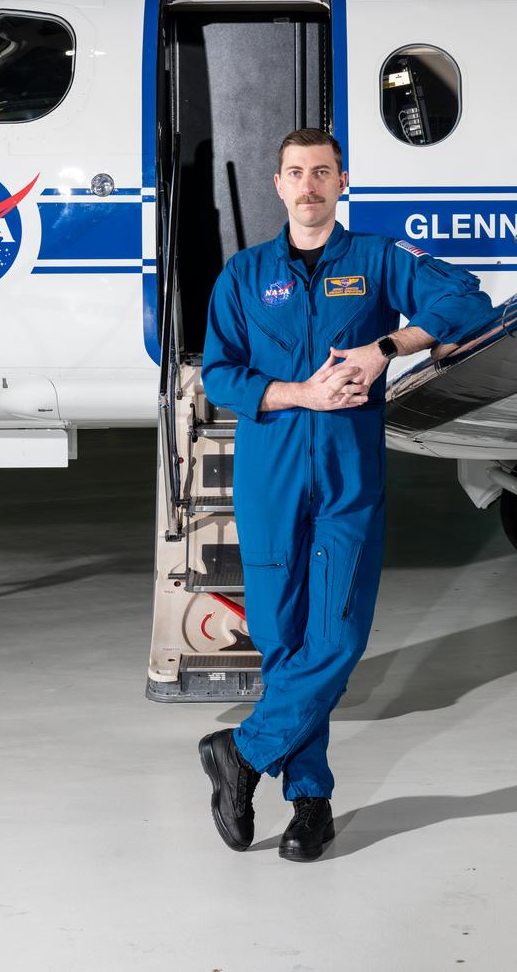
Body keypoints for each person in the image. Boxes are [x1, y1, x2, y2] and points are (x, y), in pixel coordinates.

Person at [199, 129, 493, 861]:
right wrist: (299, 391)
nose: (308, 186)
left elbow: (467, 303)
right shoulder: (242, 274)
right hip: (269, 474)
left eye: (321, 173)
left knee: (337, 635)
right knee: (282, 639)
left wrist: (384, 347)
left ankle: (242, 750)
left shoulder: (375, 261)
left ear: (342, 183)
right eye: (295, 173)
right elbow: (218, 374)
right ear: (277, 185)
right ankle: (309, 803)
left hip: (346, 474)